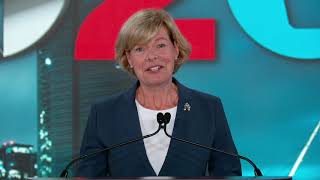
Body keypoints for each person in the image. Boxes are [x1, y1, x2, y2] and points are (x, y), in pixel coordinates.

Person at [75, 8, 241, 178]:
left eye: (160, 45)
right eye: (140, 49)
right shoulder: (104, 113)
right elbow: (88, 176)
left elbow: (228, 173)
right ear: (129, 59)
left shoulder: (208, 108)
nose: (152, 56)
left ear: (176, 49)